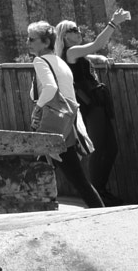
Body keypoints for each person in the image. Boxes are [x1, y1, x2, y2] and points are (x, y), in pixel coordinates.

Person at [29, 20, 104, 208]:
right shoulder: (59, 62)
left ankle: (102, 213)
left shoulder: (40, 61)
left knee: (78, 180)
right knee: (38, 169)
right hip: (67, 123)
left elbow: (50, 88)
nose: (28, 43)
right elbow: (51, 92)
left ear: (45, 42)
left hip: (53, 126)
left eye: (32, 39)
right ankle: (37, 208)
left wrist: (37, 108)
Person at [64, 9, 129, 202]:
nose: (78, 31)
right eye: (74, 30)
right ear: (65, 36)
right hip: (89, 106)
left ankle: (100, 189)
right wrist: (113, 23)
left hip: (97, 104)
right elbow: (97, 45)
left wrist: (103, 59)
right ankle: (97, 193)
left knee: (111, 148)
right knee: (99, 148)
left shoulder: (78, 53)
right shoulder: (70, 51)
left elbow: (93, 56)